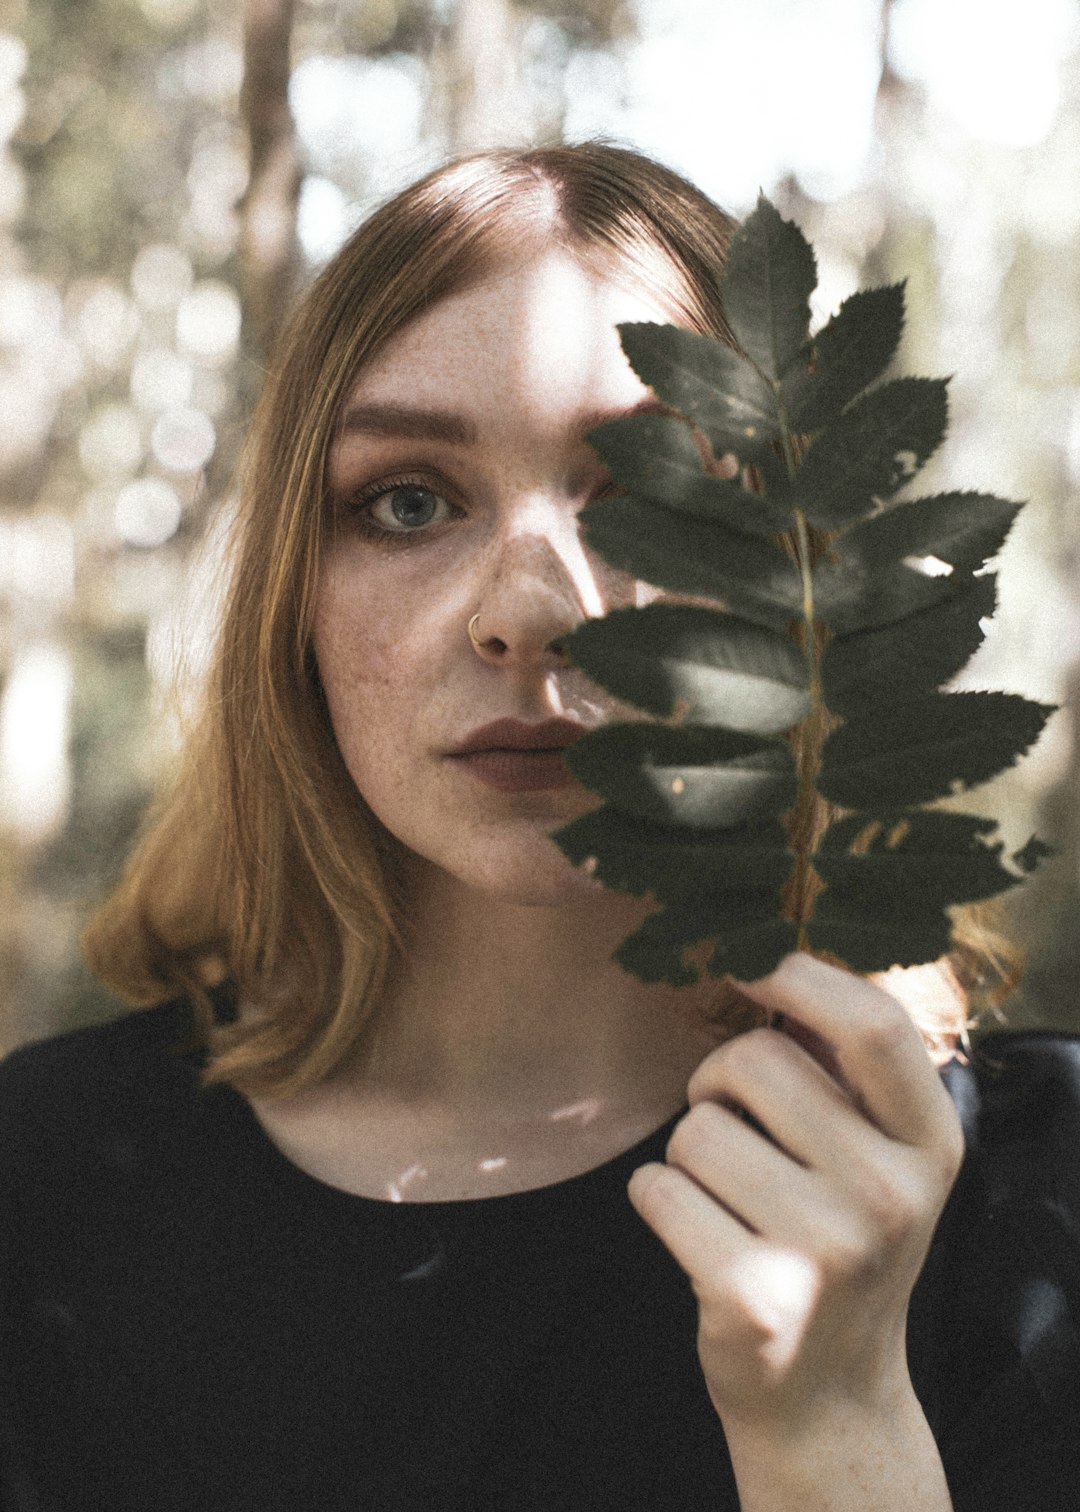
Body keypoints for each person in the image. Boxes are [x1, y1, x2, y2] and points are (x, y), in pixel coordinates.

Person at [1, 141, 1077, 1512]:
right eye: (407, 502)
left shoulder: (1031, 1203)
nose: (530, 608)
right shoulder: (46, 1178)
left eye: (644, 499)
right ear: (295, 601)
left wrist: (839, 1430)